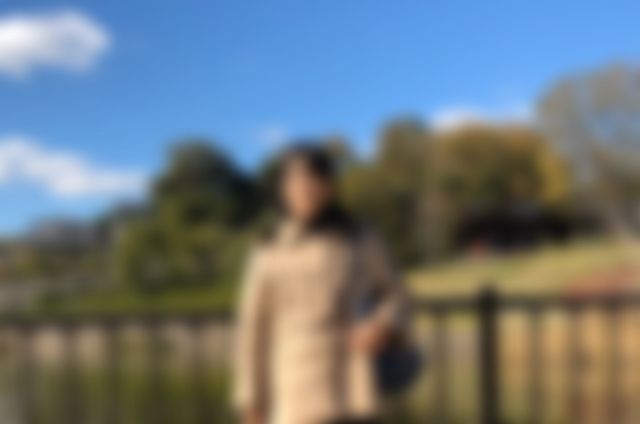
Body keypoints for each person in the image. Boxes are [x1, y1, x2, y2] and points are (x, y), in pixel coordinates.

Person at [234, 144, 409, 424]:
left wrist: (382, 324)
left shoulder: (359, 237)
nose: (305, 188)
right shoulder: (267, 250)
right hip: (293, 387)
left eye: (314, 178)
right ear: (282, 189)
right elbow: (253, 329)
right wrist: (252, 401)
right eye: (295, 179)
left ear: (330, 186)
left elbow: (396, 293)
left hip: (353, 382)